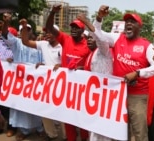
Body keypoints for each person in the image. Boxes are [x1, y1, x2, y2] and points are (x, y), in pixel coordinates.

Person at [92, 5, 154, 141]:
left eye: (132, 21)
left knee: (139, 132)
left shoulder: (147, 46)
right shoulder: (117, 38)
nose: (128, 23)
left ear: (139, 27)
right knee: (120, 131)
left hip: (137, 96)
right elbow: (98, 34)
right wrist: (99, 18)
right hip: (118, 94)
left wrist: (137, 73)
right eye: (126, 21)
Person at [46, 4, 92, 141]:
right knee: (68, 117)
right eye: (72, 27)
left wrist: (85, 69)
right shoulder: (65, 39)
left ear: (82, 31)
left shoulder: (88, 44)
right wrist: (53, 12)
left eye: (76, 28)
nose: (73, 29)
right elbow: (49, 28)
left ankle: (84, 138)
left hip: (83, 88)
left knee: (82, 117)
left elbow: (93, 64)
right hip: (67, 87)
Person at [2, 13, 47, 141]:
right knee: (20, 106)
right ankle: (24, 130)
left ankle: (39, 129)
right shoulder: (16, 43)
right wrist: (6, 23)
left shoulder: (38, 46)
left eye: (27, 30)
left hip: (35, 82)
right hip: (20, 81)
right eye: (22, 30)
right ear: (19, 33)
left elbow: (44, 62)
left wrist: (42, 65)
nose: (25, 32)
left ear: (31, 32)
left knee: (36, 105)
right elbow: (5, 35)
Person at [20, 18, 67, 140]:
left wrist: (62, 66)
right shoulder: (43, 44)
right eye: (46, 32)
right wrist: (24, 27)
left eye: (51, 32)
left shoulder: (64, 46)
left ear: (57, 34)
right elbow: (25, 41)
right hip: (46, 83)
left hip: (61, 84)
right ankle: (51, 134)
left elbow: (70, 63)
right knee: (45, 110)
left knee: (63, 111)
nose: (47, 34)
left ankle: (67, 136)